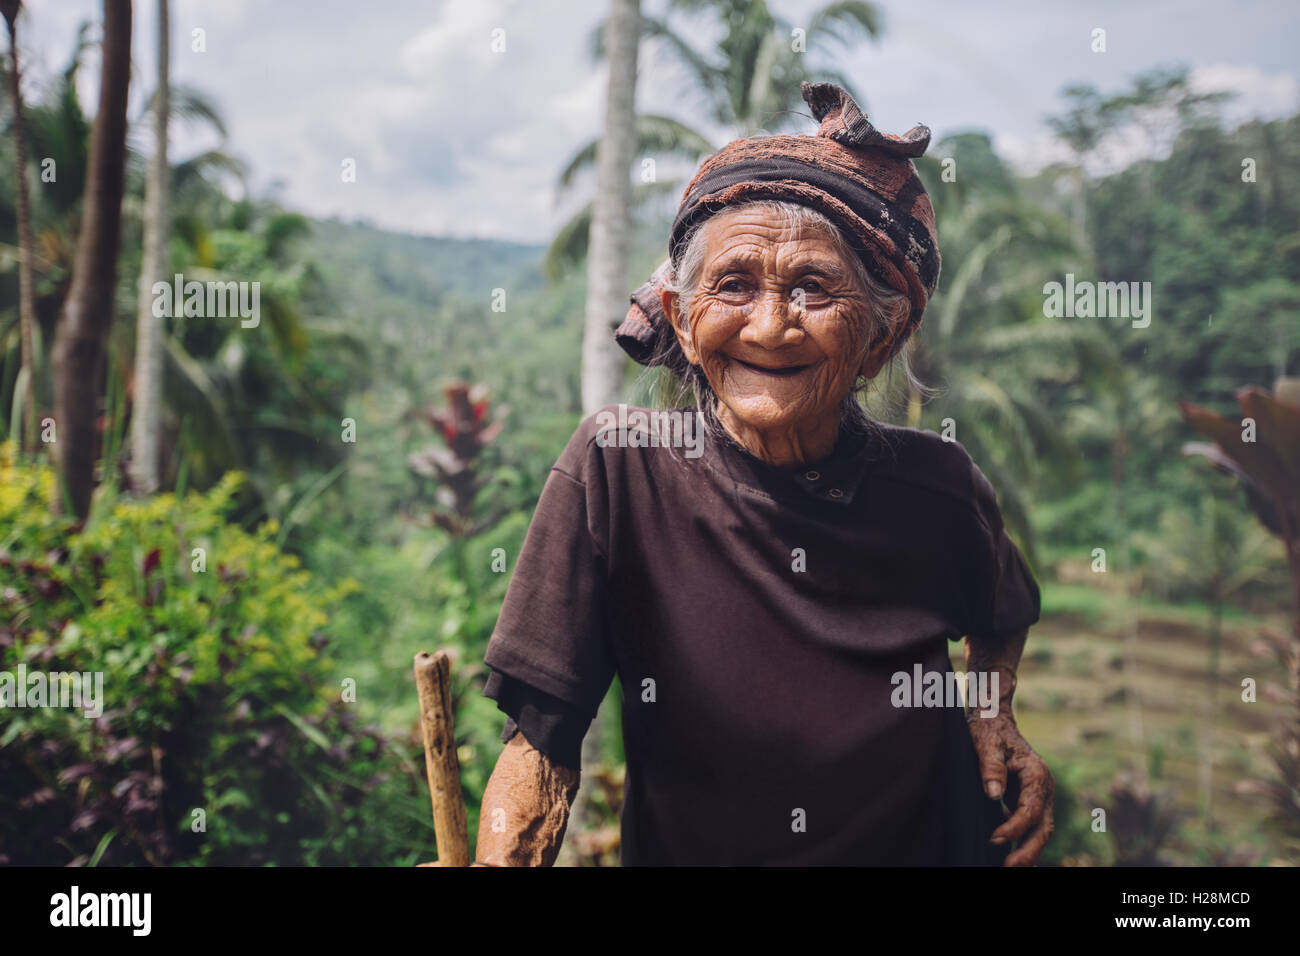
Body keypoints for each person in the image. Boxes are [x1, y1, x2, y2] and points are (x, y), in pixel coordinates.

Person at [471, 82, 1053, 866]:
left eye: (813, 288)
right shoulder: (618, 473)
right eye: (735, 285)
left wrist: (993, 708)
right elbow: (539, 747)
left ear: (881, 337)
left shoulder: (937, 487)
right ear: (682, 317)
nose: (771, 325)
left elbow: (1001, 608)